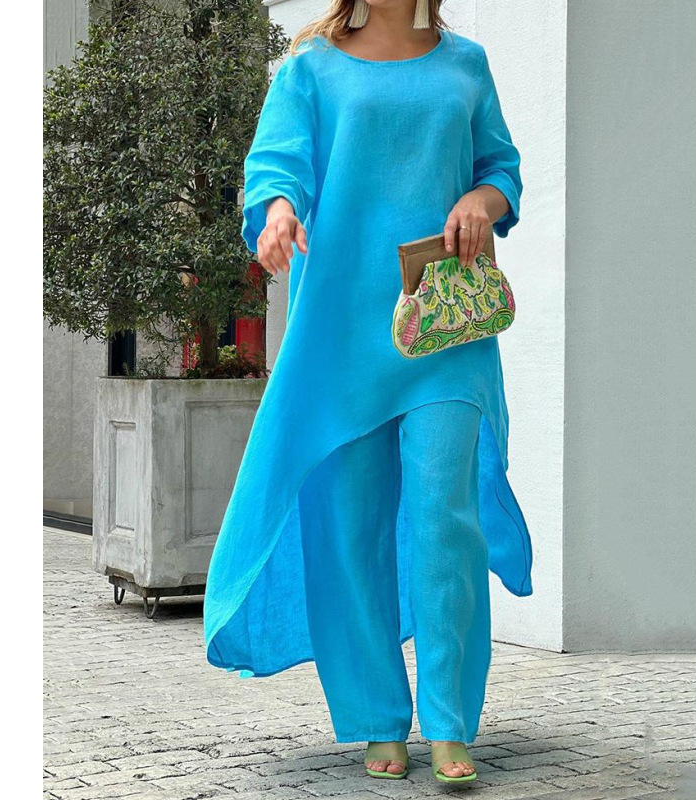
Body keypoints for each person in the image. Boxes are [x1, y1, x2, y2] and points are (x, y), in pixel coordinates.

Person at [203, 0, 534, 784]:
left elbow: (502, 170)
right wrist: (278, 213)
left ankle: (450, 720)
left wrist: (481, 202)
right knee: (350, 526)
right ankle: (377, 714)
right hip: (342, 330)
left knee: (446, 516)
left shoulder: (465, 64)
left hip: (445, 326)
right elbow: (275, 167)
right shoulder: (310, 71)